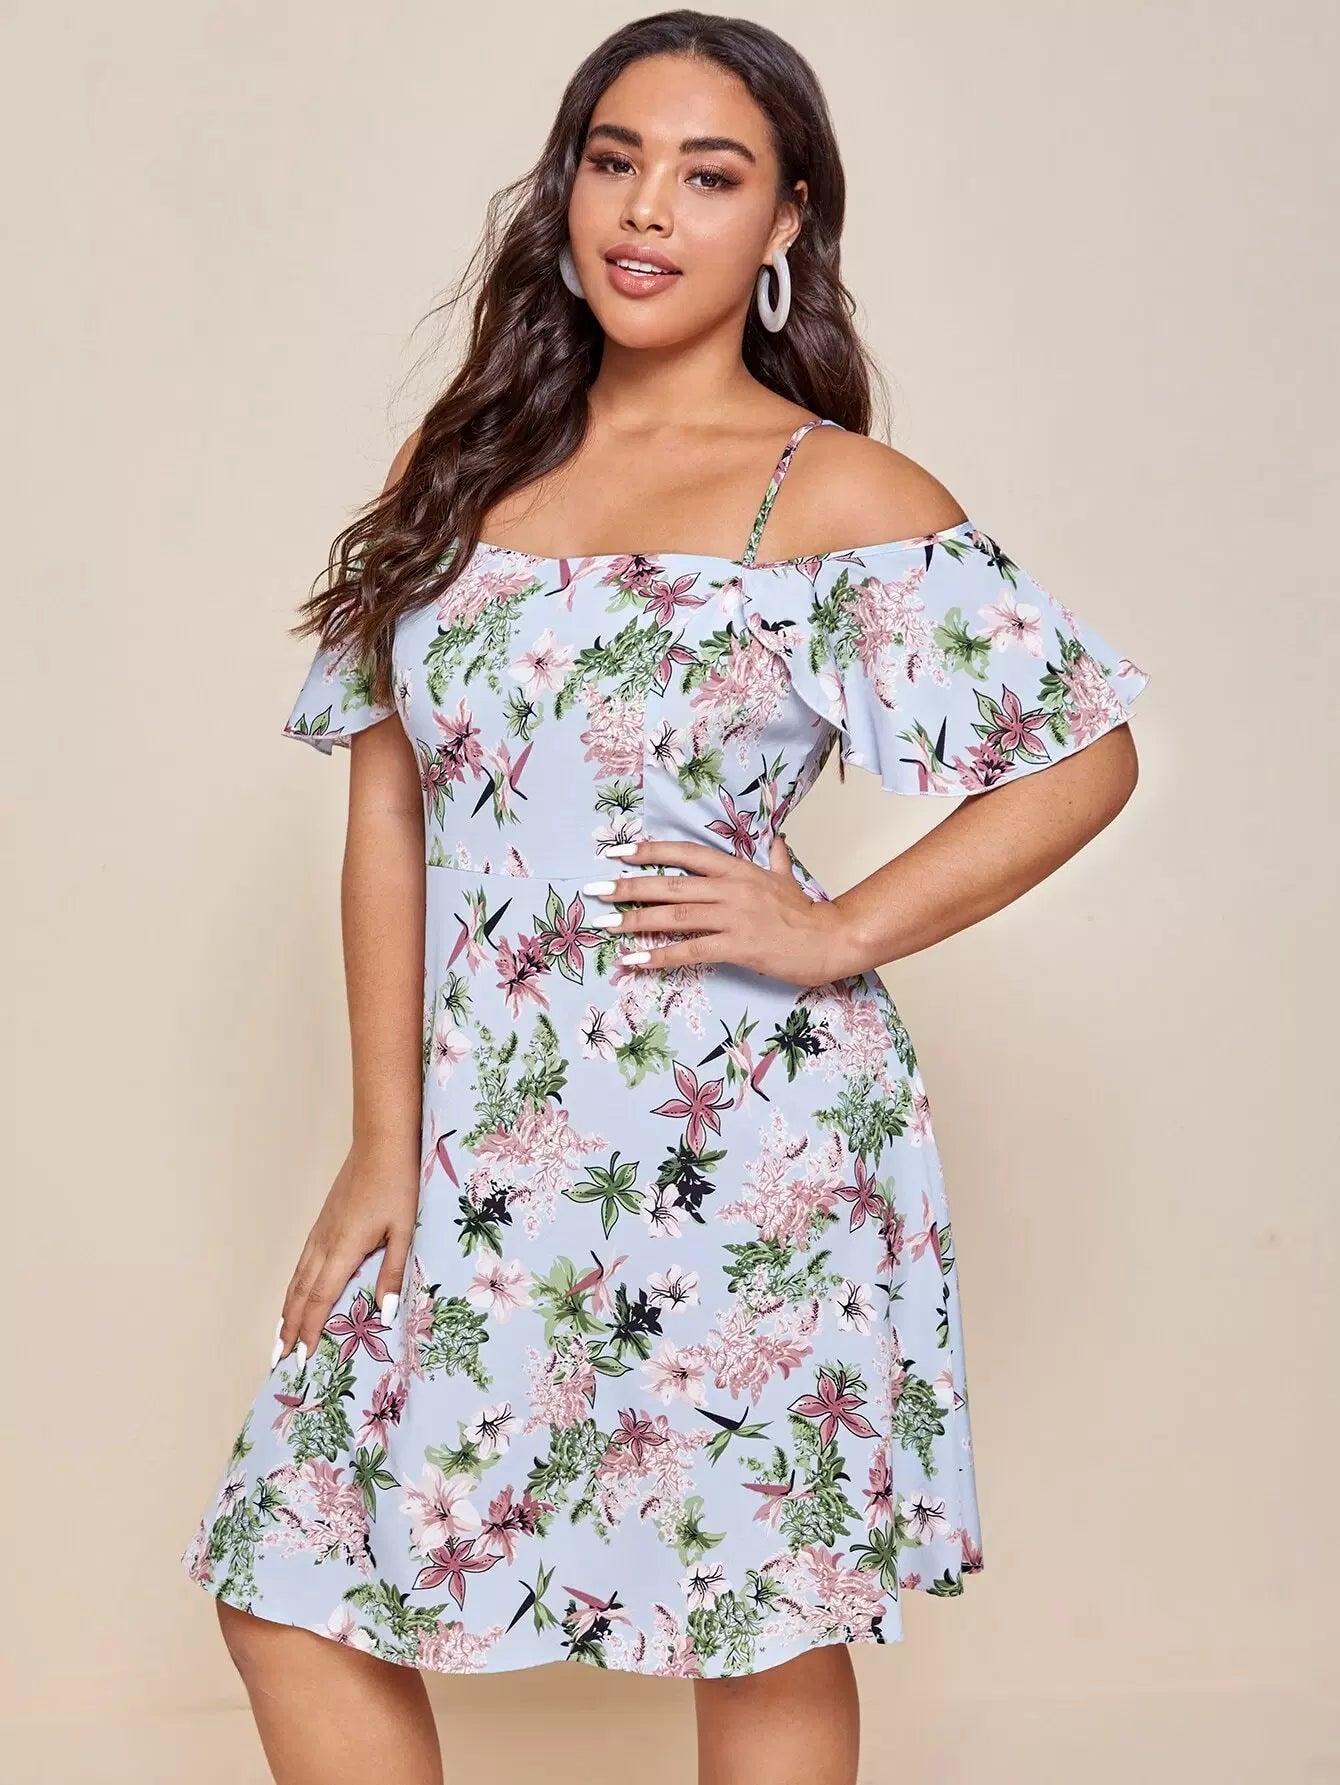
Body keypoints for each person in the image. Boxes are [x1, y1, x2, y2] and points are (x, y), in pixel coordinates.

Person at [180, 13, 1150, 1785]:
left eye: (711, 176)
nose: (647, 210)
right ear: (565, 188)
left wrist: (837, 929)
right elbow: (389, 806)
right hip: (479, 1128)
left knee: (755, 1611)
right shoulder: (460, 465)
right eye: (615, 161)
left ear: (786, 223)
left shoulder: (832, 491)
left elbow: (1083, 758)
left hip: (749, 1143)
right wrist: (385, 1140)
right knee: (290, 1574)